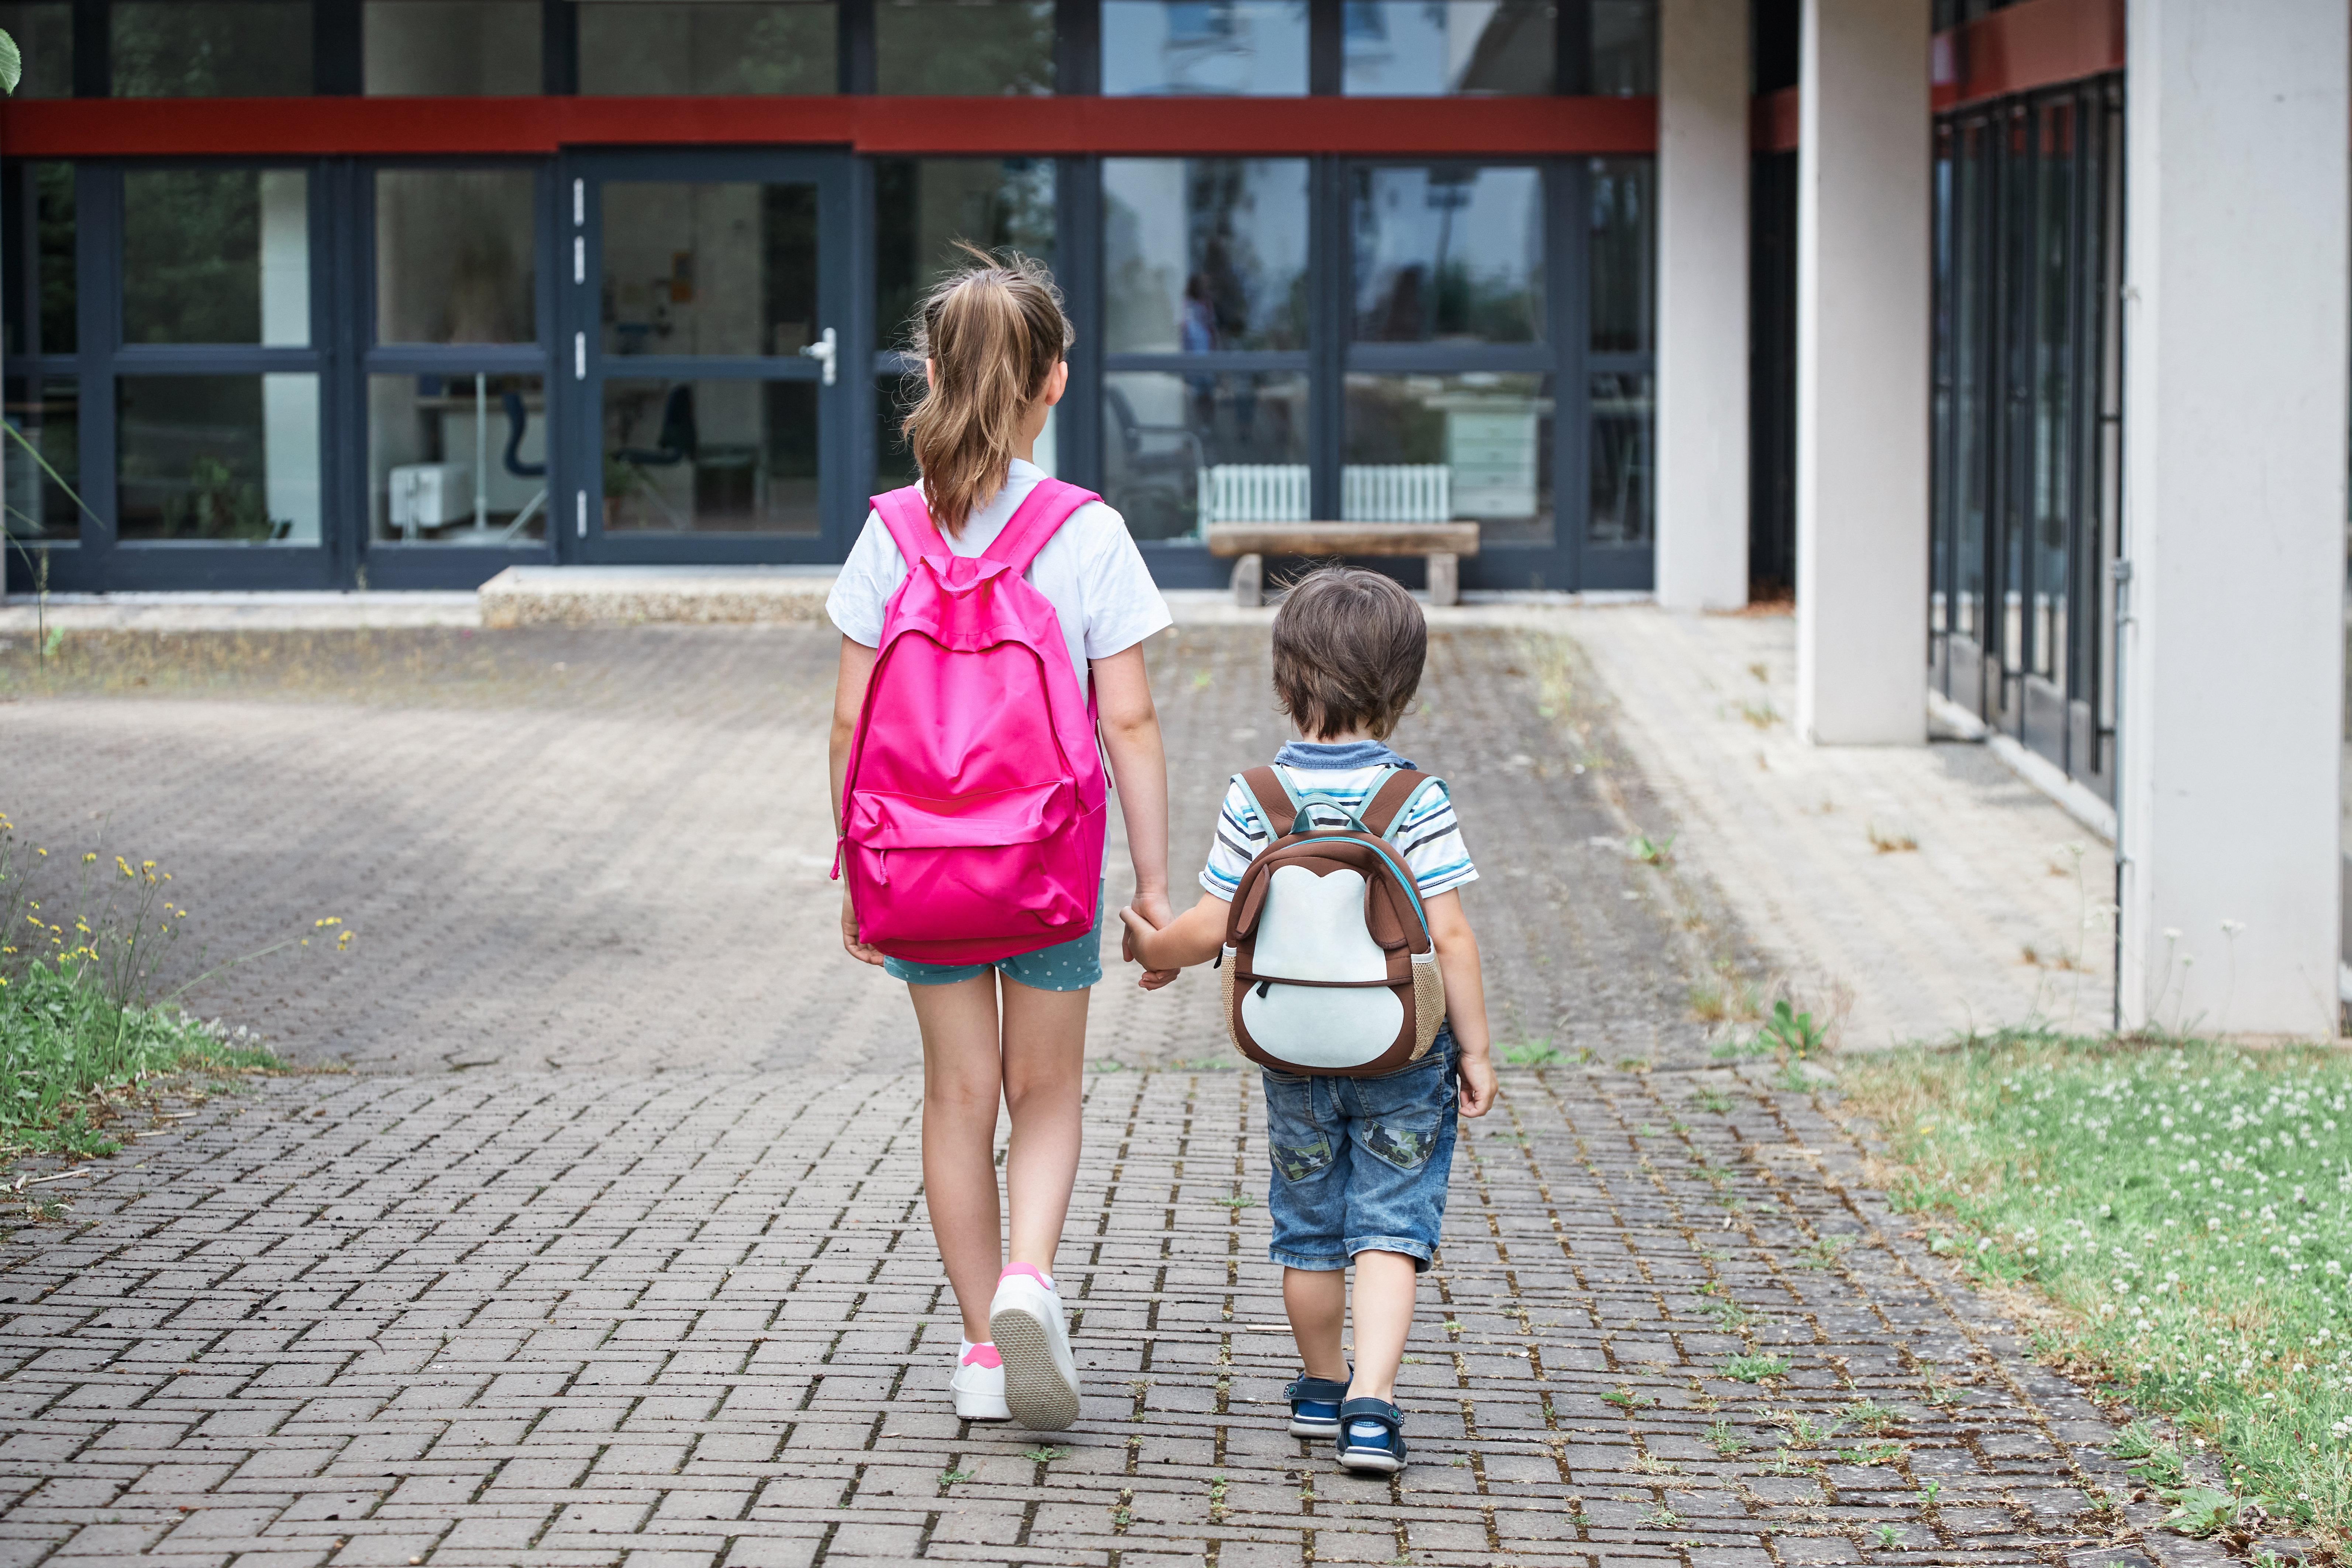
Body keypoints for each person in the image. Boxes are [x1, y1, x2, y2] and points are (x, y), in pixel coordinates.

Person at [828, 250, 1177, 1430]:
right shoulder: (1086, 533)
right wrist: (1157, 888)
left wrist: (854, 873)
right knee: (1046, 1088)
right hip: (1048, 869)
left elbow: (847, 719)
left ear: (928, 374)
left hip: (916, 868)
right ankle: (1031, 1273)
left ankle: (983, 1347)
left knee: (956, 1097)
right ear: (1055, 384)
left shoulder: (887, 533)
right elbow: (1124, 717)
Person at [1116, 565, 1497, 1475]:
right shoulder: (1415, 800)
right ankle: (1373, 1404)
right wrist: (1475, 1048)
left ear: (1286, 683)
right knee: (1389, 1224)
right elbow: (1451, 935)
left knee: (1309, 1224)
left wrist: (1152, 949)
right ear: (1400, 690)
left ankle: (1321, 1385)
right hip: (1401, 1047)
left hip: (1290, 1048)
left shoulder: (1258, 796)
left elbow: (1214, 924)